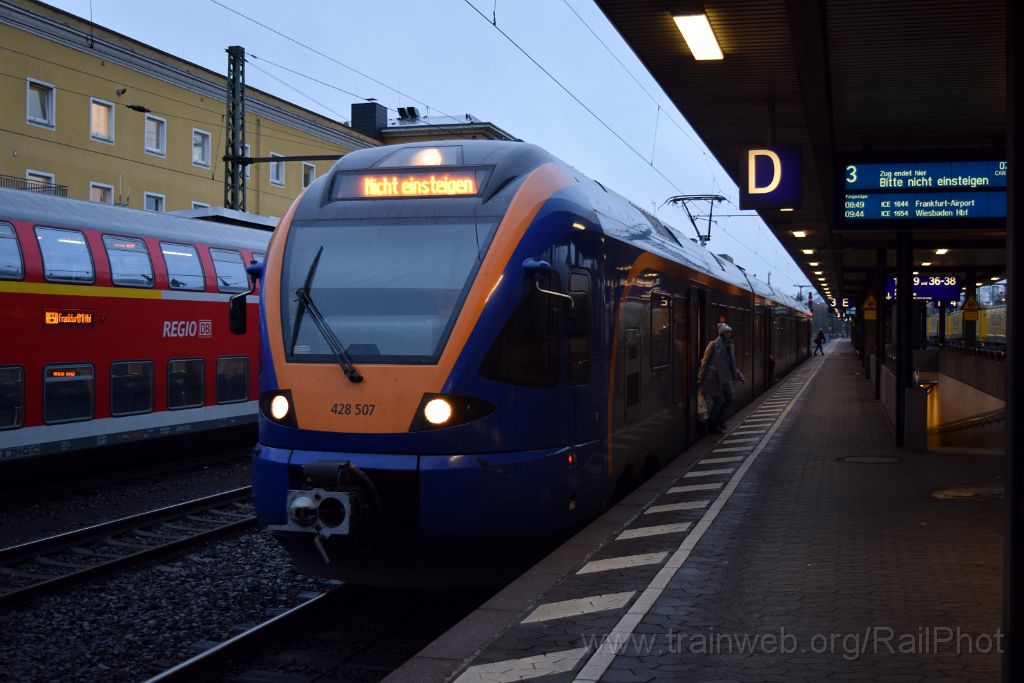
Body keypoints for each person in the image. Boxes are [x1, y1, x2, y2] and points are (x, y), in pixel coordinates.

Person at [697, 323, 745, 434]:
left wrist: (739, 376)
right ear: (721, 334)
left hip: (725, 379)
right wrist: (700, 378)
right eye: (726, 333)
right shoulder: (713, 345)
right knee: (718, 401)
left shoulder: (730, 346)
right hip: (713, 379)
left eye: (729, 333)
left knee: (730, 398)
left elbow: (732, 365)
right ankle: (713, 424)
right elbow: (704, 361)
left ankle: (718, 419)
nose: (728, 334)